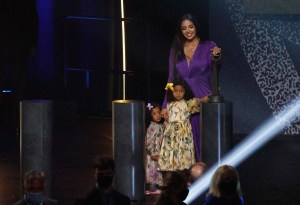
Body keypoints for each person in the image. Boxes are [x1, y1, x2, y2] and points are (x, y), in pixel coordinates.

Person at [161, 13, 222, 162]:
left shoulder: (209, 46)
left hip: (204, 99)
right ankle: (189, 180)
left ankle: (207, 179)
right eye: (184, 28)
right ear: (180, 31)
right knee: (185, 144)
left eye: (191, 26)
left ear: (196, 27)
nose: (188, 31)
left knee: (205, 142)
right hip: (183, 101)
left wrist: (216, 56)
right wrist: (165, 105)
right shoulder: (176, 49)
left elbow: (217, 66)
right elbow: (171, 79)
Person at [158, 80, 207, 172]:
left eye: (181, 91)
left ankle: (184, 173)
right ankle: (172, 171)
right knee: (171, 150)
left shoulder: (187, 103)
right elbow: (166, 118)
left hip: (183, 133)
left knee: (183, 151)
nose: (178, 93)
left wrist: (203, 99)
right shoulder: (169, 105)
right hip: (171, 133)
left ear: (185, 92)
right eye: (175, 91)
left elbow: (197, 102)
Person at [145, 102, 164, 195]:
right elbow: (151, 140)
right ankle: (152, 188)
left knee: (155, 169)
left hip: (155, 152)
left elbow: (158, 140)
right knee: (152, 169)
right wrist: (154, 153)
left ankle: (153, 188)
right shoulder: (154, 126)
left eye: (159, 112)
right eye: (154, 114)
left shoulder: (158, 126)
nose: (158, 115)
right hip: (152, 153)